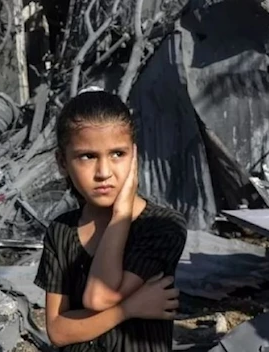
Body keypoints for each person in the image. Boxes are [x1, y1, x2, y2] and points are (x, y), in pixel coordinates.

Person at [34, 88, 187, 351]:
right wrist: (129, 308)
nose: (104, 172)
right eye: (88, 156)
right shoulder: (60, 231)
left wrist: (122, 214)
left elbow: (98, 296)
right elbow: (58, 332)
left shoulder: (162, 226)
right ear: (62, 161)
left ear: (134, 155)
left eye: (118, 154)